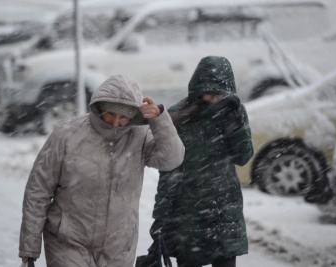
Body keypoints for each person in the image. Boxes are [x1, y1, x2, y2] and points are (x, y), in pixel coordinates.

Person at [18, 74, 185, 267]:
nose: (115, 122)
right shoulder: (66, 135)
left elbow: (172, 159)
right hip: (68, 240)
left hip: (118, 245)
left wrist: (159, 121)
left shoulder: (139, 136)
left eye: (123, 117)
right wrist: (29, 248)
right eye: (110, 114)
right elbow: (38, 190)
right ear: (98, 108)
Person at [137, 56, 254, 267]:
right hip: (188, 212)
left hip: (224, 208)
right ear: (197, 89)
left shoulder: (234, 112)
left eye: (219, 94)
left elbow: (243, 157)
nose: (213, 99)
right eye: (208, 92)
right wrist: (161, 217)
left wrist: (235, 127)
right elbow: (170, 170)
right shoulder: (179, 116)